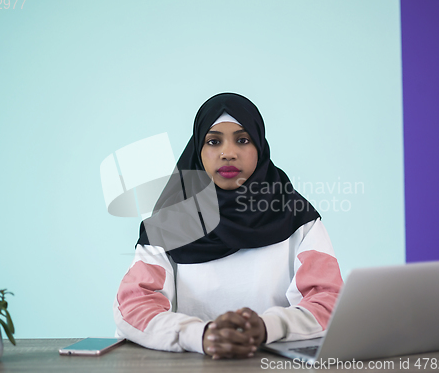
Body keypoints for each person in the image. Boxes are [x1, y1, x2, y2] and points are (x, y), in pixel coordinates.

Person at [113, 93, 343, 359]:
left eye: (243, 140)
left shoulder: (296, 218)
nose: (228, 153)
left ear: (260, 147)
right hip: (192, 365)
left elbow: (330, 299)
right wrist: (201, 336)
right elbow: (133, 306)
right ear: (198, 151)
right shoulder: (168, 224)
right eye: (213, 141)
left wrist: (266, 327)